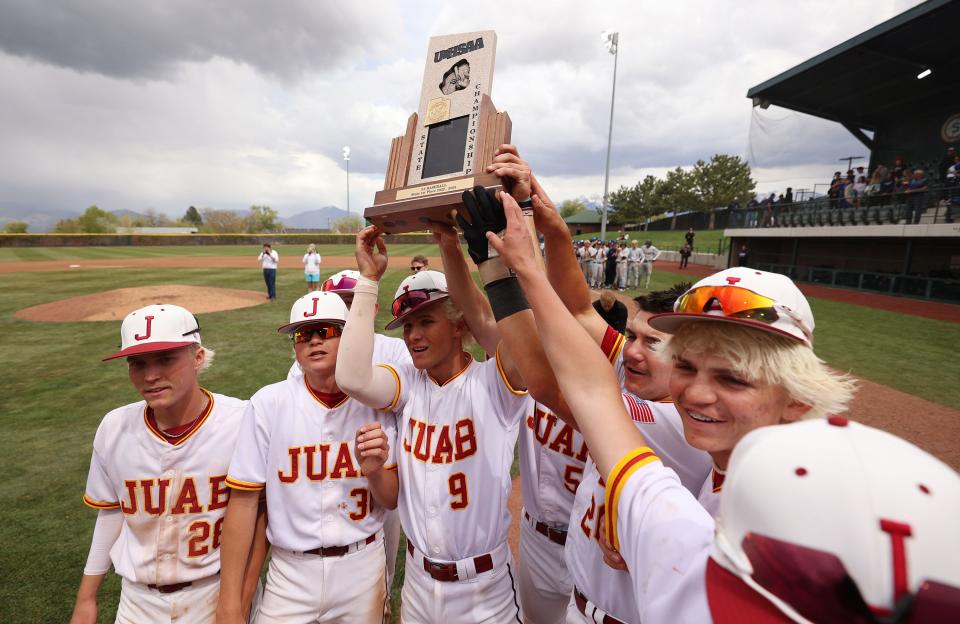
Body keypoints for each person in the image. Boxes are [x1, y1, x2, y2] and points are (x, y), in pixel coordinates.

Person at [488, 201, 952, 623]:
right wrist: (530, 260)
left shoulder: (838, 504)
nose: (697, 394)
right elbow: (589, 388)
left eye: (732, 378)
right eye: (686, 367)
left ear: (798, 397)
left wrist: (525, 267)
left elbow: (579, 391)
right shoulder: (679, 496)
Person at [335, 228, 535, 623]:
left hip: (484, 590)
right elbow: (352, 378)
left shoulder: (494, 382)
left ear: (459, 324)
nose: (413, 336)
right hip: (418, 587)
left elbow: (517, 333)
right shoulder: (408, 384)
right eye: (407, 327)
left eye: (425, 321)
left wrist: (460, 250)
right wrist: (369, 280)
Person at [218, 291, 398, 624]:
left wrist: (374, 472)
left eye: (325, 331)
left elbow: (390, 500)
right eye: (303, 334)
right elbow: (243, 504)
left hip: (361, 565)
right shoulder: (268, 404)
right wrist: (229, 602)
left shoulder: (377, 402)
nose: (314, 341)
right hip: (290, 571)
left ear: (349, 338)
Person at [70, 304, 250, 624]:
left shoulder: (241, 420)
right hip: (137, 602)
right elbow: (112, 511)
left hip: (216, 590)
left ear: (198, 357)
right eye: (137, 363)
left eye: (166, 359)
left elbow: (258, 516)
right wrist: (87, 597)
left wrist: (237, 600)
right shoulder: (114, 428)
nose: (150, 376)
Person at [283, 269, 411, 608]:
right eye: (341, 301)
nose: (349, 309)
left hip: (383, 469)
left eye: (354, 301)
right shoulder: (307, 361)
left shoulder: (395, 350)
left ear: (371, 306)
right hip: (330, 469)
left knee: (378, 567)